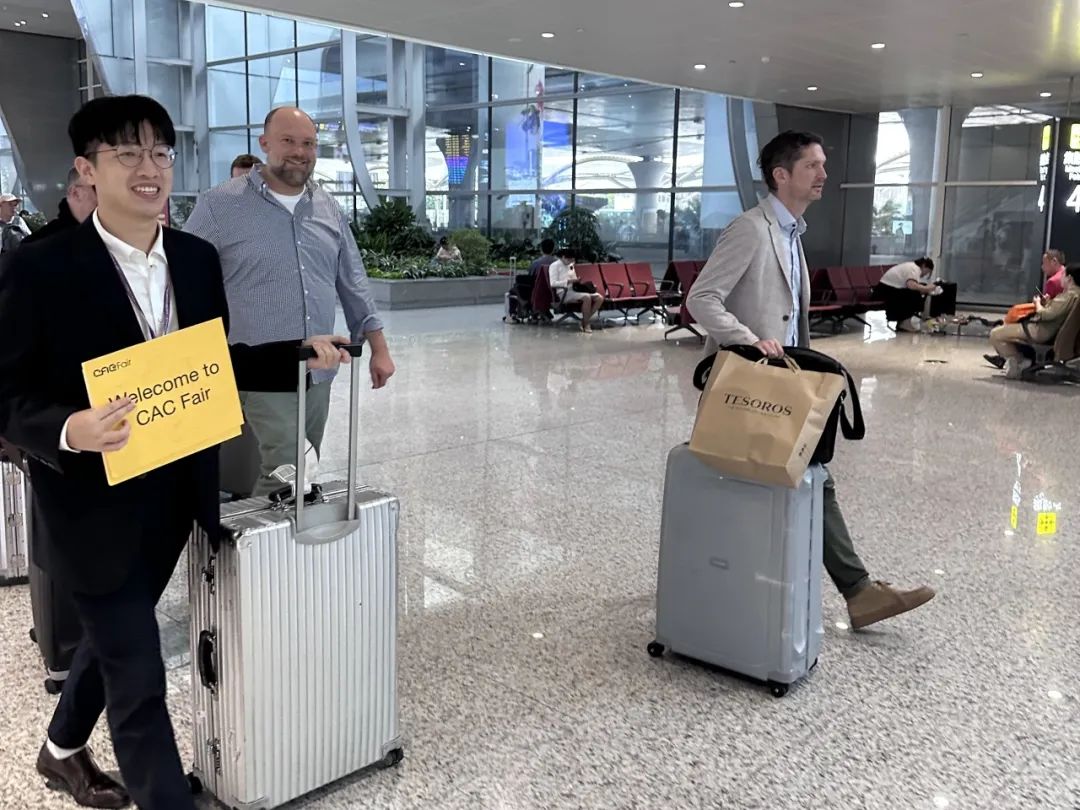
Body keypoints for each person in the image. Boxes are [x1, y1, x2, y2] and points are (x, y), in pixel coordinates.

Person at [0, 95, 351, 810]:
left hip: (174, 495)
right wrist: (69, 428)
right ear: (87, 169)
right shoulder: (41, 267)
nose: (149, 167)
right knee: (138, 674)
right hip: (91, 506)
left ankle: (59, 750)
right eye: (127, 153)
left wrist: (294, 351)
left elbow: (209, 364)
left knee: (117, 634)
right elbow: (6, 394)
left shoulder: (195, 260)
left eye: (159, 152)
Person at [686, 130, 935, 630]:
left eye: (823, 164)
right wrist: (750, 340)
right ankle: (854, 591)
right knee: (796, 479)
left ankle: (851, 591)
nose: (824, 174)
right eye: (812, 166)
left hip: (784, 385)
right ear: (781, 175)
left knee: (808, 477)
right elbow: (701, 299)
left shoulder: (791, 233)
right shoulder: (750, 229)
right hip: (750, 386)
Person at [185, 106, 395, 496]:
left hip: (319, 367)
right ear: (265, 143)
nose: (299, 152)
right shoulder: (220, 204)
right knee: (287, 470)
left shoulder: (327, 206)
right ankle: (258, 536)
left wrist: (379, 349)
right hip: (259, 368)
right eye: (288, 141)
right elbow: (183, 277)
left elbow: (353, 281)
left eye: (308, 143)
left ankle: (284, 531)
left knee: (306, 465)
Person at [985, 263, 1080, 378]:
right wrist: (1048, 303)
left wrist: (1038, 304)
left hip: (1040, 330)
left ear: (1069, 278)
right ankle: (1018, 362)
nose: (1061, 278)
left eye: (1063, 275)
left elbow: (1045, 315)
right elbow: (1055, 312)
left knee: (995, 334)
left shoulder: (1069, 296)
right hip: (1046, 330)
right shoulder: (1074, 295)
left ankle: (1020, 362)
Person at [22, 168, 98, 245]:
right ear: (75, 192)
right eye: (96, 188)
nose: (103, 195)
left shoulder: (100, 236)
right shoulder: (37, 246)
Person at [873, 257, 939, 332]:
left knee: (916, 291)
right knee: (913, 295)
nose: (924, 275)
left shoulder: (911, 266)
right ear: (924, 266)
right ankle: (904, 322)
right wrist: (926, 288)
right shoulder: (914, 268)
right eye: (927, 272)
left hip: (885, 290)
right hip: (884, 292)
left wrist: (924, 288)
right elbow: (911, 285)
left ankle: (904, 321)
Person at [548, 247, 605, 333]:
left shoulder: (570, 265)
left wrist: (577, 281)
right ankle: (586, 324)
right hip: (563, 292)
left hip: (574, 290)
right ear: (563, 257)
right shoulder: (554, 266)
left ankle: (584, 320)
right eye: (569, 259)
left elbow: (573, 278)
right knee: (586, 297)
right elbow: (553, 283)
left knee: (599, 298)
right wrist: (569, 281)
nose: (571, 262)